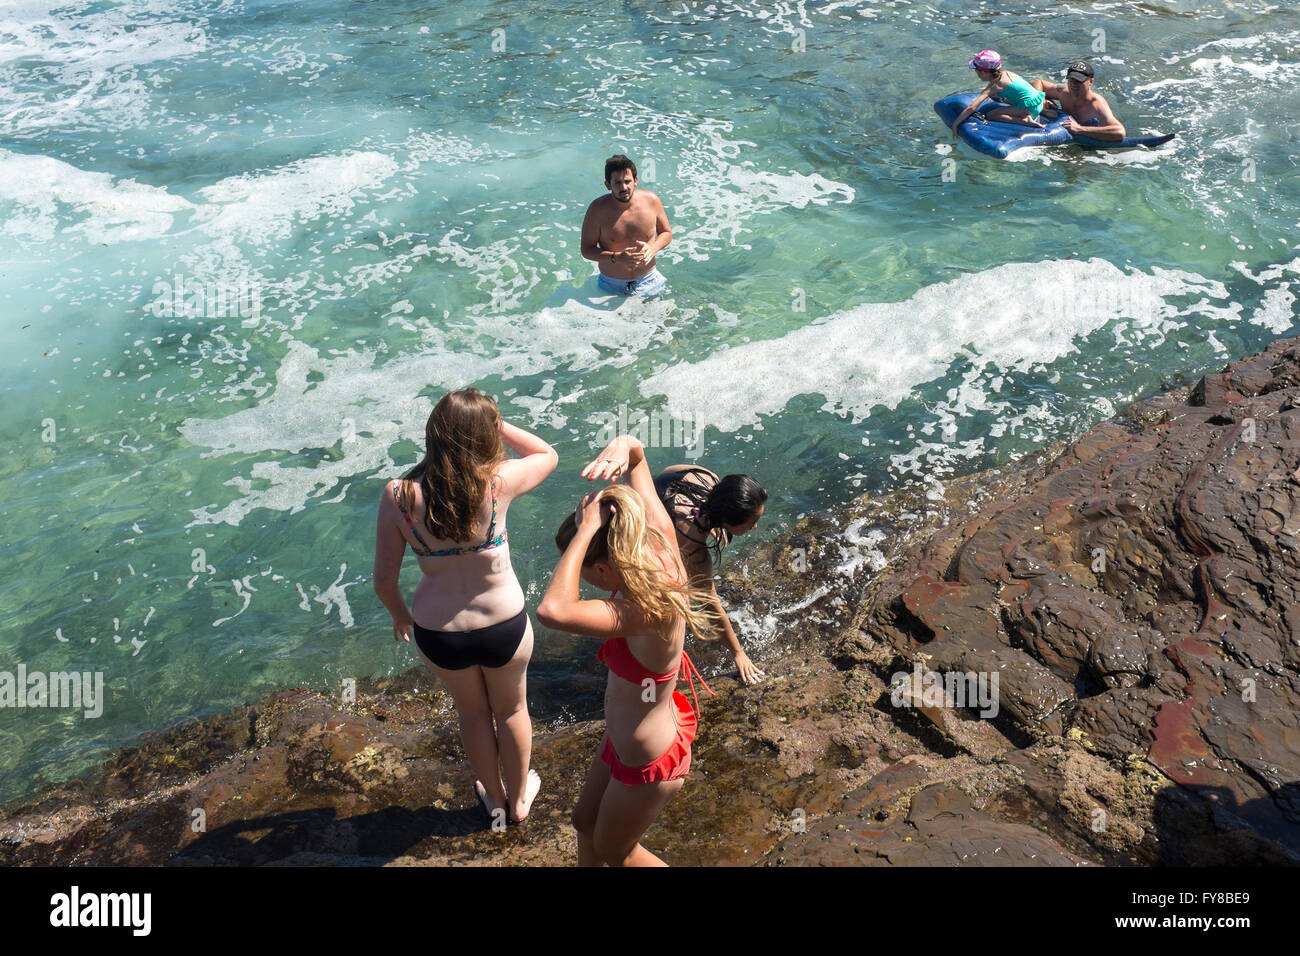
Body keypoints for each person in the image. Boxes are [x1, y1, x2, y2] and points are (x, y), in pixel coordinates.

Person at [373, 388, 557, 825]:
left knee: (473, 713)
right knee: (512, 710)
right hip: (503, 626)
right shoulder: (497, 483)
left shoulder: (398, 495)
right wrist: (498, 425)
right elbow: (546, 454)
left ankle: (492, 799)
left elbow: (383, 580)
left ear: (433, 434)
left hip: (439, 633)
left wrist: (400, 615)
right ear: (486, 435)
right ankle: (519, 801)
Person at [537, 434, 720, 866]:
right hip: (625, 737)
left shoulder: (645, 608)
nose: (585, 582)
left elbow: (552, 609)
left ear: (603, 567)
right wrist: (624, 446)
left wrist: (585, 532)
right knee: (584, 822)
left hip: (648, 758)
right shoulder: (659, 550)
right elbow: (637, 457)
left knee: (614, 852)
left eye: (586, 573)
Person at [653, 465, 767, 684]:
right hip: (627, 525)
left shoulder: (706, 478)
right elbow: (708, 603)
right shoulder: (691, 544)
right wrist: (737, 653)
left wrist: (712, 522)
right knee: (672, 595)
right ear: (729, 519)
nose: (755, 527)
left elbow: (669, 470)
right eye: (751, 522)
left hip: (646, 492)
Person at [580, 154, 672, 297]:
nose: (624, 187)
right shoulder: (597, 210)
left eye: (627, 181)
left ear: (635, 181)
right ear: (608, 185)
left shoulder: (651, 201)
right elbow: (586, 250)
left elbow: (666, 233)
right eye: (617, 183)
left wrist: (652, 248)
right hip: (611, 286)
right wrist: (616, 257)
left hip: (650, 280)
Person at [950, 49, 1047, 135]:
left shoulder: (995, 86)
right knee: (1006, 98)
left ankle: (1024, 121)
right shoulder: (1007, 73)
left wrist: (955, 124)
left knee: (991, 115)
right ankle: (1029, 113)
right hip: (1038, 101)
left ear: (984, 72)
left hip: (1030, 109)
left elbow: (971, 107)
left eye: (977, 71)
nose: (977, 74)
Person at [1031, 60, 1127, 141]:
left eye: (1079, 81)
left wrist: (1080, 129)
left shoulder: (1097, 104)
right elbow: (1038, 82)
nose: (1074, 84)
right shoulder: (1064, 92)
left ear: (1091, 82)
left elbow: (1120, 132)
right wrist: (1042, 102)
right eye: (1071, 80)